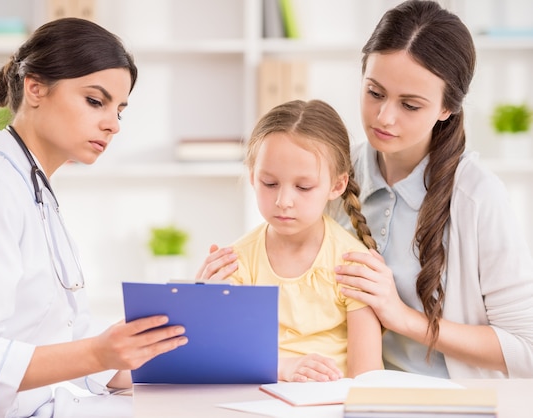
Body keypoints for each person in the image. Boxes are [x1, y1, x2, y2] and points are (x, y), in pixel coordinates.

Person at [197, 0, 533, 379]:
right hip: (338, 395)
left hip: (443, 402)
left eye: (410, 104)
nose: (384, 117)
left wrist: (402, 317)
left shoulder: (477, 197)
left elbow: (526, 349)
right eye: (374, 92)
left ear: (446, 108)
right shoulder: (328, 172)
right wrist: (213, 299)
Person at [0, 18, 188, 417]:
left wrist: (157, 349)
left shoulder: (35, 193)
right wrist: (98, 352)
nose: (113, 124)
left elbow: (64, 334)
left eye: (120, 109)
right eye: (96, 101)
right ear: (35, 88)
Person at [202, 99, 383, 382]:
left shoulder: (353, 263)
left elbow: (368, 377)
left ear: (337, 185)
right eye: (270, 183)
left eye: (303, 187)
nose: (283, 201)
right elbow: (218, 356)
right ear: (252, 177)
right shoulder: (236, 260)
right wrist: (202, 303)